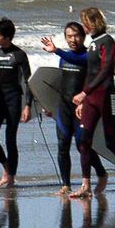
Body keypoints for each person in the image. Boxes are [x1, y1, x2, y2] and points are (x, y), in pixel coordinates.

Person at [71, 7, 115, 198]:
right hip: (91, 100)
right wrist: (83, 101)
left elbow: (106, 70)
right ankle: (86, 184)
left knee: (111, 142)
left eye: (85, 22)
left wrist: (84, 93)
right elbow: (90, 72)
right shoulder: (92, 44)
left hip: (106, 97)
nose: (83, 26)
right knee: (83, 141)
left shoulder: (107, 42)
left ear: (93, 22)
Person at [41, 22, 108, 194]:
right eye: (69, 36)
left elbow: (95, 84)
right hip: (63, 106)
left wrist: (86, 102)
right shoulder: (64, 58)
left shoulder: (89, 57)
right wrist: (49, 106)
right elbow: (60, 83)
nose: (73, 39)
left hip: (82, 107)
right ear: (65, 38)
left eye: (76, 35)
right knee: (62, 144)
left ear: (83, 36)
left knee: (81, 145)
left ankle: (101, 173)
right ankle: (66, 185)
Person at [0, 18, 32, 187]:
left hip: (13, 100)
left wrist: (27, 105)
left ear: (7, 37)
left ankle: (11, 177)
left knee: (10, 140)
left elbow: (28, 81)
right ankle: (6, 166)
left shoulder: (19, 55)